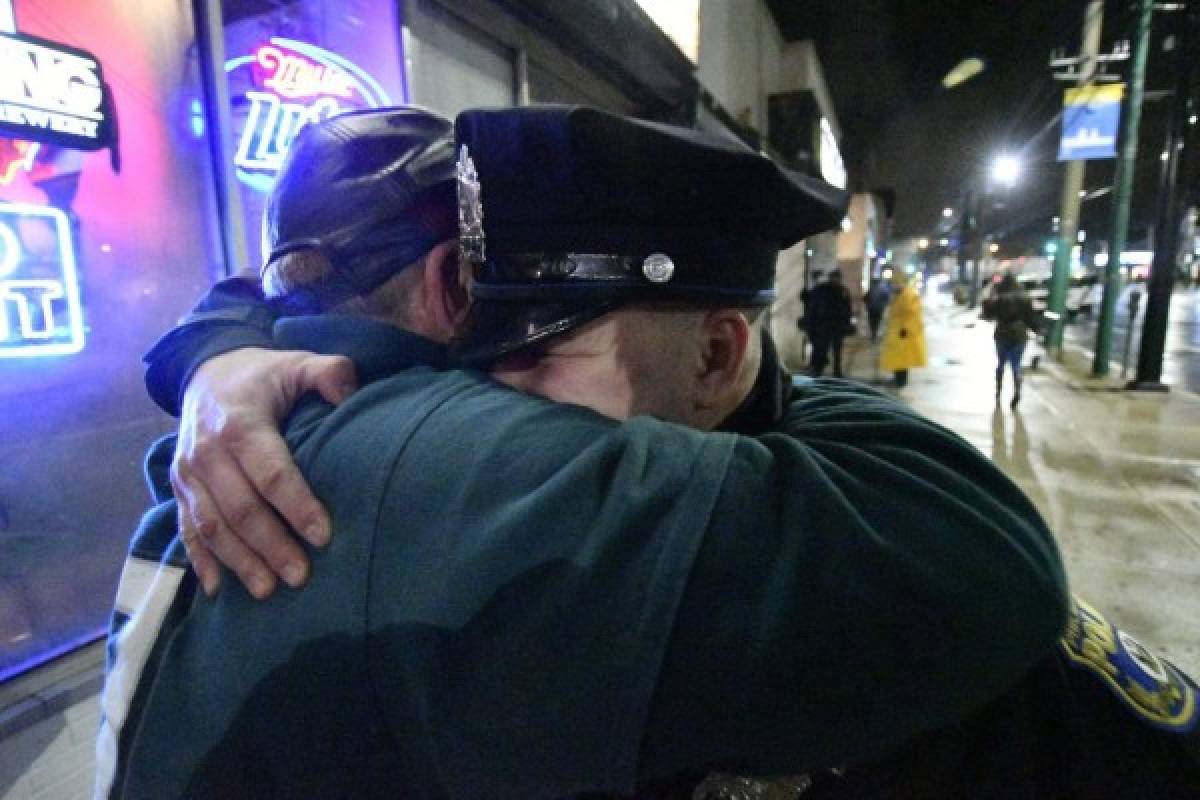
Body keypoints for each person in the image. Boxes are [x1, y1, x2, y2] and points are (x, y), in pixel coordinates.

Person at [101, 106, 1069, 798]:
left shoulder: (281, 405)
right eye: (494, 340)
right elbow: (988, 550)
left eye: (536, 352)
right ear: (450, 282)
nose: (500, 394)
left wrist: (217, 348)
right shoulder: (442, 467)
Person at [981, 271, 1035, 409]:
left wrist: (990, 293)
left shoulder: (1000, 298)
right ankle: (1017, 391)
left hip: (1002, 333)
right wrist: (1036, 329)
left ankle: (998, 393)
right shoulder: (1024, 298)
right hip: (1020, 334)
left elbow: (987, 314)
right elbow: (1031, 318)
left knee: (1000, 364)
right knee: (1016, 365)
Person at [801, 269, 854, 378]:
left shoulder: (836, 290)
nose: (837, 280)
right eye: (837, 278)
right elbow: (811, 302)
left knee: (828, 348)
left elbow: (847, 309)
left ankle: (825, 370)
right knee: (828, 349)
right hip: (828, 325)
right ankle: (828, 370)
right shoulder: (837, 290)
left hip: (828, 325)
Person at [878, 275, 927, 387]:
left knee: (903, 359)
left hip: (903, 333)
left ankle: (901, 381)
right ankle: (897, 378)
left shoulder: (909, 295)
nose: (893, 286)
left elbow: (912, 313)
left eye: (895, 283)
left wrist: (906, 328)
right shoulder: (899, 294)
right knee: (897, 357)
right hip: (897, 332)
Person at [864, 279, 889, 343]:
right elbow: (887, 299)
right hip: (878, 309)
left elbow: (864, 298)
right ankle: (874, 333)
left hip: (872, 309)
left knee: (872, 322)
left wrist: (867, 305)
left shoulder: (871, 290)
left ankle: (873, 333)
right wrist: (883, 305)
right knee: (876, 322)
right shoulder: (881, 290)